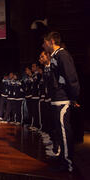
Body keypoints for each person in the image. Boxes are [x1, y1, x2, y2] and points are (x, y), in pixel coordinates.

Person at [43, 32, 80, 172]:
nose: (44, 45)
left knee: (64, 132)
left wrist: (73, 97)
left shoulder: (62, 55)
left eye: (45, 42)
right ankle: (62, 159)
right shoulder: (55, 56)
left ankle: (67, 163)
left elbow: (71, 77)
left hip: (62, 99)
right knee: (59, 131)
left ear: (51, 41)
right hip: (56, 99)